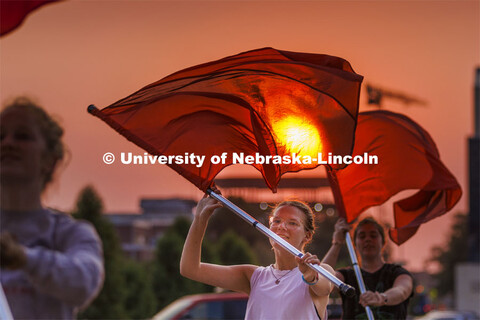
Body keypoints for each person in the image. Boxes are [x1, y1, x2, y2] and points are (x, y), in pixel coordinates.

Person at [0, 97, 104, 319]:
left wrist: (23, 258)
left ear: (50, 160)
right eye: (0, 136)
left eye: (22, 136)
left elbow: (84, 281)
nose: (7, 143)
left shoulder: (70, 233)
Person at [180, 193, 334, 320]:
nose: (281, 226)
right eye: (277, 221)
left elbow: (323, 287)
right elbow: (190, 269)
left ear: (307, 236)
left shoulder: (320, 271)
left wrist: (309, 276)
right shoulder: (253, 276)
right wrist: (200, 219)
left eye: (292, 223)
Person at [322, 218, 414, 320]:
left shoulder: (397, 272)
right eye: (362, 236)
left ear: (383, 241)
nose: (368, 239)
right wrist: (337, 243)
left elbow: (402, 291)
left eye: (373, 235)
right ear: (354, 244)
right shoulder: (346, 275)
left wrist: (381, 298)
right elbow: (321, 281)